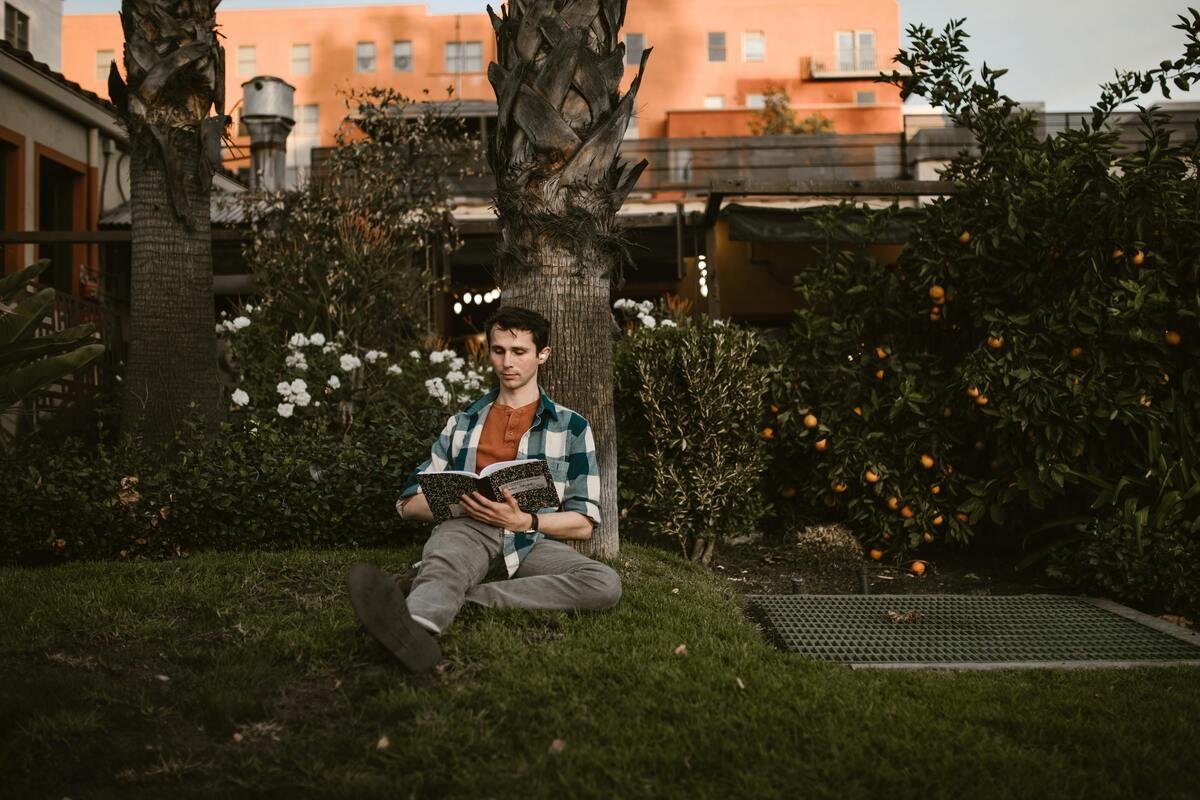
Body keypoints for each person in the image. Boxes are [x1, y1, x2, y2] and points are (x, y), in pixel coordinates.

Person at [346, 305, 622, 672]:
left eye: (519, 352)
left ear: (542, 354)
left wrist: (527, 522)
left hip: (529, 542)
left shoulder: (572, 428)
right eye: (498, 351)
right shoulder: (462, 423)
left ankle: (466, 598)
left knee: (603, 583)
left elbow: (584, 522)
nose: (507, 362)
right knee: (447, 561)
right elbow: (408, 503)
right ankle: (418, 632)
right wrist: (464, 504)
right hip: (467, 528)